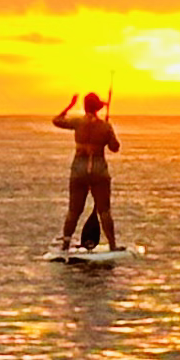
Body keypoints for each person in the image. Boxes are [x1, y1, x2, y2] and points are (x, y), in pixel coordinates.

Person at [52, 93, 121, 250]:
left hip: (79, 169)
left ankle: (65, 245)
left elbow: (56, 120)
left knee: (74, 210)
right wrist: (108, 133)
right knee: (104, 210)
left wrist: (70, 105)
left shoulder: (78, 122)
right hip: (99, 170)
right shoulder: (105, 126)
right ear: (97, 108)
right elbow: (114, 147)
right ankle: (112, 245)